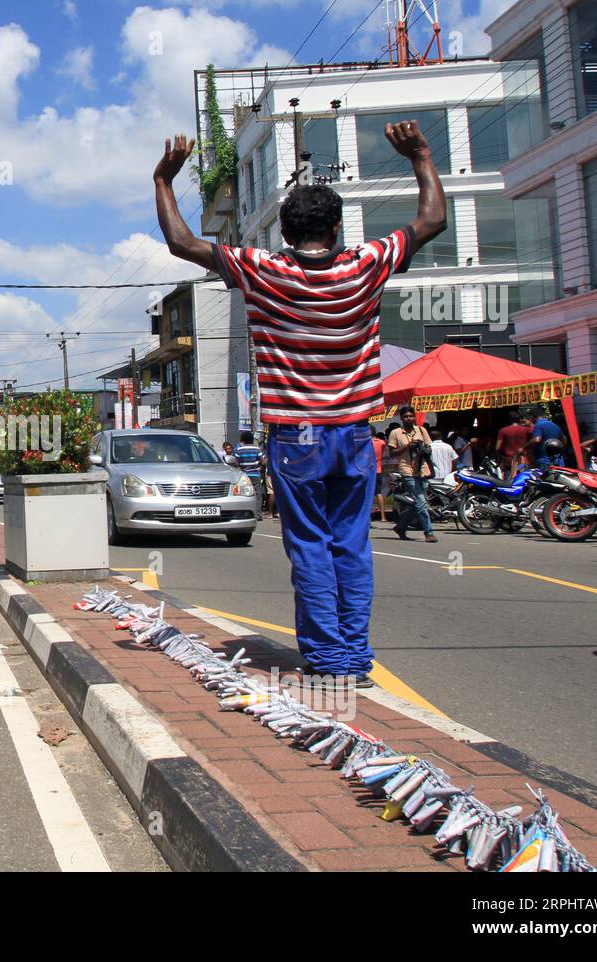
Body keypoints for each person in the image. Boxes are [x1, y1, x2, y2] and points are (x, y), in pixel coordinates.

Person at [154, 119, 447, 686]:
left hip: (296, 435)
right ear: (336, 229)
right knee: (351, 546)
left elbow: (182, 243)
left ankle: (330, 660)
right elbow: (432, 218)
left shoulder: (264, 270)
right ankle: (354, 658)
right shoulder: (367, 264)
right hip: (355, 432)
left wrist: (165, 181)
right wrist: (421, 155)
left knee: (310, 547)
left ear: (284, 233)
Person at [387, 405, 438, 542]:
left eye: (411, 416)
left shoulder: (421, 430)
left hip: (422, 469)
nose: (409, 419)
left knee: (419, 502)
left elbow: (429, 448)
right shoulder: (396, 433)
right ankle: (429, 532)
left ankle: (401, 526)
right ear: (402, 418)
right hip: (407, 469)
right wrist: (407, 446)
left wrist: (422, 448)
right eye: (406, 417)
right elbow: (392, 453)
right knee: (420, 500)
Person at [234, 430, 266, 511]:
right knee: (257, 494)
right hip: (255, 475)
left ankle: (245, 512)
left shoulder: (239, 450)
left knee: (244, 494)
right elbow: (263, 462)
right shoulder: (257, 449)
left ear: (242, 440)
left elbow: (237, 465)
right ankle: (258, 513)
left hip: (244, 476)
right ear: (252, 439)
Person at [495, 410, 532, 478]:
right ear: (519, 419)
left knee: (509, 484)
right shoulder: (527, 429)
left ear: (509, 420)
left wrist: (499, 460)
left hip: (509, 462)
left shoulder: (503, 430)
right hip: (523, 461)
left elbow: (497, 448)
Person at [372, 431, 388, 523]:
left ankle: (368, 516)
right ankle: (383, 516)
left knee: (368, 494)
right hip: (378, 469)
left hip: (369, 470)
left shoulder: (367, 443)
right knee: (379, 493)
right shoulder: (382, 442)